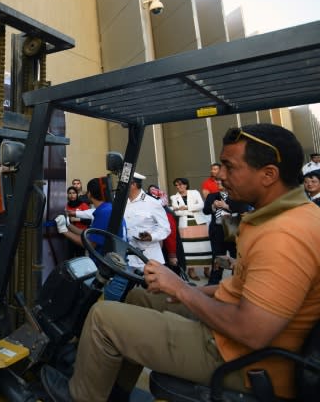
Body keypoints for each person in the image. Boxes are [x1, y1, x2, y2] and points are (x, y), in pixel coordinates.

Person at [40, 123, 320, 402]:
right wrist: (189, 291)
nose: (220, 175)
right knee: (140, 296)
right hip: (238, 336)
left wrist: (181, 289)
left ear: (269, 175)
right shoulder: (279, 217)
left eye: (229, 166)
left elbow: (252, 331)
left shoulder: (284, 235)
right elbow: (241, 288)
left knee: (102, 318)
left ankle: (80, 398)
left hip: (243, 358)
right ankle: (113, 391)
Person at [55, 177, 125, 251]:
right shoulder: (108, 208)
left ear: (89, 194)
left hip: (104, 260)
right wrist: (68, 224)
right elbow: (88, 233)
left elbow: (90, 244)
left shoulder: (104, 213)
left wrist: (64, 231)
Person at [202, 178, 249, 286]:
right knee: (217, 256)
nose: (218, 183)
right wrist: (213, 206)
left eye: (220, 182)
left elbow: (243, 209)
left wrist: (226, 206)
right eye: (216, 182)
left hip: (233, 229)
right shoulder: (211, 196)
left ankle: (236, 282)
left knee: (236, 256)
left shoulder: (237, 195)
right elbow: (205, 211)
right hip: (217, 230)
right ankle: (214, 282)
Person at [124, 173, 170, 269]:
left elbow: (165, 228)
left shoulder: (152, 203)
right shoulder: (120, 201)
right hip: (126, 257)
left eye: (123, 183)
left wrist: (152, 236)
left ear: (133, 184)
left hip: (148, 257)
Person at [170, 177, 211, 281]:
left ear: (186, 184)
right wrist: (191, 209)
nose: (179, 187)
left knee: (204, 246)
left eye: (181, 184)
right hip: (185, 224)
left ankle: (207, 269)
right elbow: (177, 212)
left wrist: (186, 207)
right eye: (177, 185)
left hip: (199, 222)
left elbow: (201, 205)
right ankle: (191, 270)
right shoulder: (174, 197)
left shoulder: (194, 192)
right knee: (188, 248)